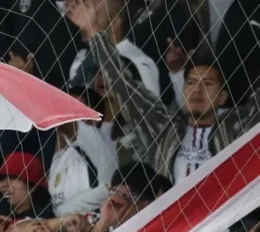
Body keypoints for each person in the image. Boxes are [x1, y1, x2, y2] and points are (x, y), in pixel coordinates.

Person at [70, 0, 260, 184]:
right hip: (174, 216)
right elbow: (124, 87)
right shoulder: (164, 130)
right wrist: (95, 34)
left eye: (208, 83)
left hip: (231, 215)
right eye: (191, 82)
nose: (197, 90)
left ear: (223, 97)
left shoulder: (237, 126)